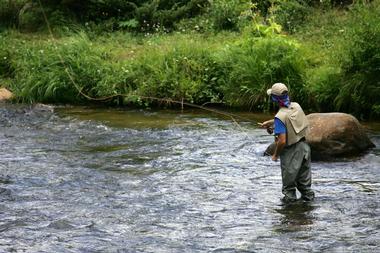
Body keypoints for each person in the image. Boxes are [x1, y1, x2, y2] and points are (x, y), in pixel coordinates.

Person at [259, 83, 315, 203]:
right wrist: (271, 123)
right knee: (304, 186)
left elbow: (282, 141)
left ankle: (289, 216)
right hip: (305, 148)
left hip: (291, 153)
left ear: (274, 99)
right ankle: (308, 211)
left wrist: (275, 155)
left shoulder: (280, 117)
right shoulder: (296, 106)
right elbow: (289, 119)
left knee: (289, 189)